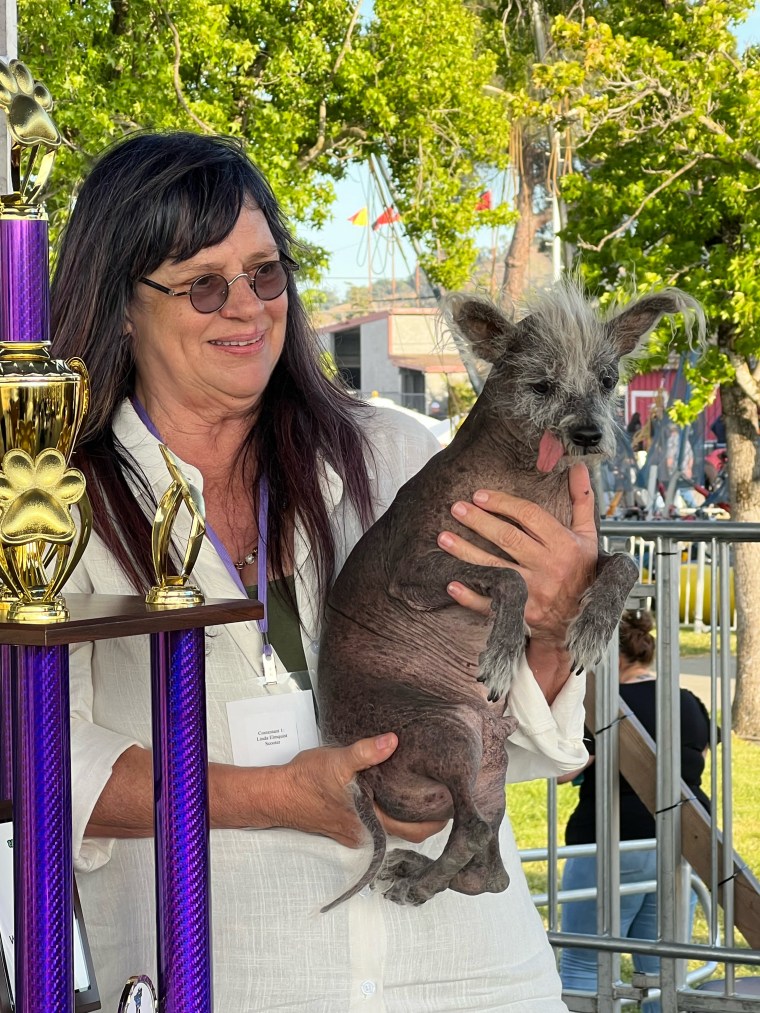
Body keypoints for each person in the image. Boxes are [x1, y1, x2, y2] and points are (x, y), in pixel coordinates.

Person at [52, 130, 599, 1011]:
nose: (247, 308)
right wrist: (271, 796)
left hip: (476, 974)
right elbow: (48, 761)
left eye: (266, 274)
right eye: (203, 284)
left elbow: (509, 735)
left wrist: (553, 630)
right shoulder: (54, 507)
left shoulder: (398, 454)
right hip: (230, 972)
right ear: (120, 303)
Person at [559, 610, 712, 1011]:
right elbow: (700, 755)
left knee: (583, 963)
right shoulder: (687, 701)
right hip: (682, 842)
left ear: (611, 657)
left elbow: (563, 770)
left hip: (609, 842)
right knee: (664, 971)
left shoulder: (602, 706)